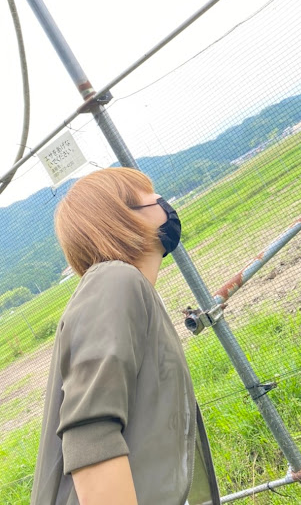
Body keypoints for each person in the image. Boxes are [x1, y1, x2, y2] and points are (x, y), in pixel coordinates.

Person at [30, 167, 220, 505]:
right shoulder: (114, 281)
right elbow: (92, 435)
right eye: (152, 196)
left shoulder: (136, 293)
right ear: (122, 217)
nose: (164, 204)